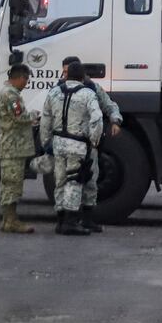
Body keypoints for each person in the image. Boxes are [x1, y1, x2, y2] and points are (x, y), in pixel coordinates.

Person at [39, 59, 103, 236]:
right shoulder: (87, 94)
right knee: (74, 181)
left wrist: (46, 143)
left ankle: (60, 220)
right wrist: (94, 139)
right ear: (82, 76)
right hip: (77, 145)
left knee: (59, 180)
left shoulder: (54, 93)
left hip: (58, 143)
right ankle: (71, 221)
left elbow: (45, 120)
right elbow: (97, 119)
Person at [58, 55, 120, 230]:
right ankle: (65, 220)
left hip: (86, 143)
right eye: (63, 72)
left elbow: (109, 106)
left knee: (90, 181)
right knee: (66, 181)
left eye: (67, 72)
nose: (64, 76)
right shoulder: (58, 89)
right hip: (67, 142)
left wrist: (115, 120)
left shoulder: (92, 88)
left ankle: (86, 218)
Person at [0, 63, 38, 234]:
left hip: (12, 147)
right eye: (26, 80)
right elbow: (19, 117)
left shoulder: (7, 92)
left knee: (10, 184)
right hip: (12, 147)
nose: (26, 83)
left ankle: (8, 220)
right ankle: (10, 221)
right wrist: (33, 116)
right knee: (12, 185)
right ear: (20, 78)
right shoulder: (11, 94)